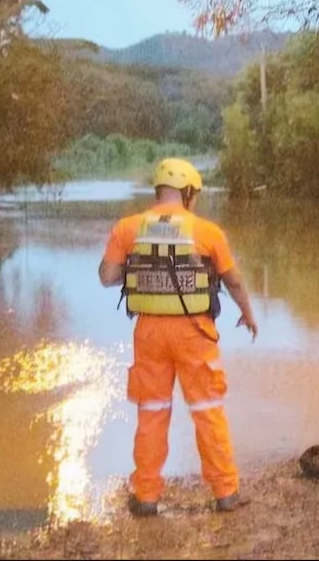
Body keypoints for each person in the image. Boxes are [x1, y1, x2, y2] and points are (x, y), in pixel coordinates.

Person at [98, 157, 259, 516]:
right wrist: (247, 313)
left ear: (158, 191)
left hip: (149, 333)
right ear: (187, 192)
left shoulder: (127, 228)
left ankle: (145, 496)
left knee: (152, 412)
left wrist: (140, 266)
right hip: (195, 332)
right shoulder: (207, 232)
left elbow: (107, 277)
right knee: (207, 411)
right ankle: (225, 492)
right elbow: (232, 280)